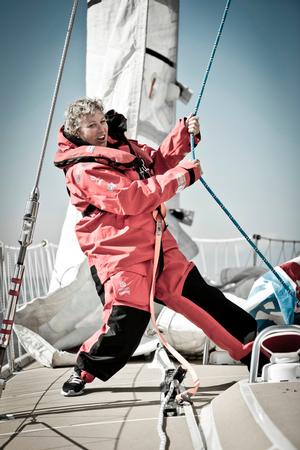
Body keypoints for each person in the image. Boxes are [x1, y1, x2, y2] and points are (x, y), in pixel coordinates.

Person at [54, 97, 259, 396]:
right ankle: (84, 370)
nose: (100, 129)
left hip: (158, 244)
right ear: (76, 131)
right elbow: (129, 197)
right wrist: (182, 177)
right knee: (125, 325)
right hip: (119, 257)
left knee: (202, 297)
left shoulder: (123, 147)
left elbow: (156, 163)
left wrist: (183, 135)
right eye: (91, 126)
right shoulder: (83, 170)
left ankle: (259, 350)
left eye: (101, 121)